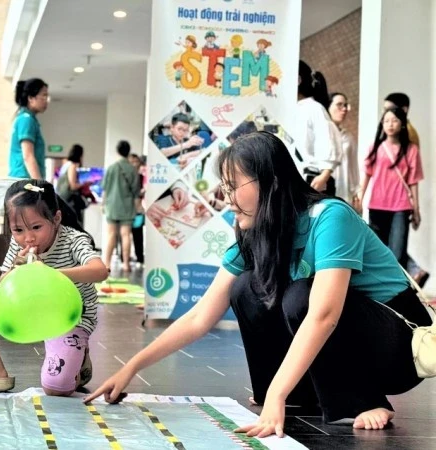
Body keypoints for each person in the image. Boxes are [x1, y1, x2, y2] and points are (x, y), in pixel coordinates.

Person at [85, 132, 432, 436]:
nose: (226, 197)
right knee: (247, 288)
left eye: (233, 186)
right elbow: (199, 317)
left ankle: (359, 402)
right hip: (348, 341)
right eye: (225, 187)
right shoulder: (258, 233)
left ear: (271, 182)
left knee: (301, 298)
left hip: (398, 349)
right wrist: (131, 367)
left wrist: (278, 392)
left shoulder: (330, 217)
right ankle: (291, 399)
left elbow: (324, 315)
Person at [0, 180, 107, 395]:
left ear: (56, 219)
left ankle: (78, 358)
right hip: (28, 307)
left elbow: (100, 270)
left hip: (67, 318)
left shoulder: (73, 240)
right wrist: (15, 269)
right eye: (18, 230)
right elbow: (3, 285)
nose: (28, 237)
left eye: (37, 227)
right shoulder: (20, 243)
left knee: (56, 388)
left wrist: (48, 274)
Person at [357, 107, 423, 269]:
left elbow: (413, 181)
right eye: (386, 121)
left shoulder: (411, 150)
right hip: (377, 205)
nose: (390, 124)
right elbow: (366, 176)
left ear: (402, 124)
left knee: (397, 253)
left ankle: (398, 291)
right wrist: (359, 199)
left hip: (401, 206)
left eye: (394, 120)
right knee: (378, 252)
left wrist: (416, 209)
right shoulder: (375, 148)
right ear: (382, 124)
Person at [382, 93, 429, 287]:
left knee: (394, 247)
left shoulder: (408, 134)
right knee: (389, 245)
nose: (386, 115)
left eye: (390, 109)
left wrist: (415, 207)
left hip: (397, 200)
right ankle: (415, 270)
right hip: (383, 201)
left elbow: (410, 172)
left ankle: (412, 273)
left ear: (404, 111)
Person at [295, 61, 341, 195]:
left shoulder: (314, 108)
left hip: (313, 180)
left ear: (298, 80)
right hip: (295, 180)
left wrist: (324, 176)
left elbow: (329, 142)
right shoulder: (293, 109)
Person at [102, 140, 140, 273]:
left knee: (111, 234)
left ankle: (107, 263)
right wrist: (136, 209)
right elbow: (136, 192)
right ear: (128, 151)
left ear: (117, 151)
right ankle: (126, 264)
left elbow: (105, 190)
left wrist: (103, 205)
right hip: (127, 206)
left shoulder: (111, 168)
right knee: (126, 235)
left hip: (112, 205)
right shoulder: (132, 169)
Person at [9, 78, 49, 179]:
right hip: (25, 180)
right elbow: (28, 156)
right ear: (31, 98)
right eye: (44, 95)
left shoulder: (28, 119)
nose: (46, 100)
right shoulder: (26, 120)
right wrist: (40, 185)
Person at [327, 93, 360, 206]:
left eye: (345, 105)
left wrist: (356, 192)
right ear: (328, 107)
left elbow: (353, 166)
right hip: (325, 190)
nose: (344, 109)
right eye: (339, 105)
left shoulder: (348, 137)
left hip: (345, 193)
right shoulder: (322, 134)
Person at [56, 144, 90, 224]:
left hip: (62, 199)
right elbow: (73, 186)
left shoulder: (66, 165)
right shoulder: (72, 166)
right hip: (69, 201)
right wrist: (85, 184)